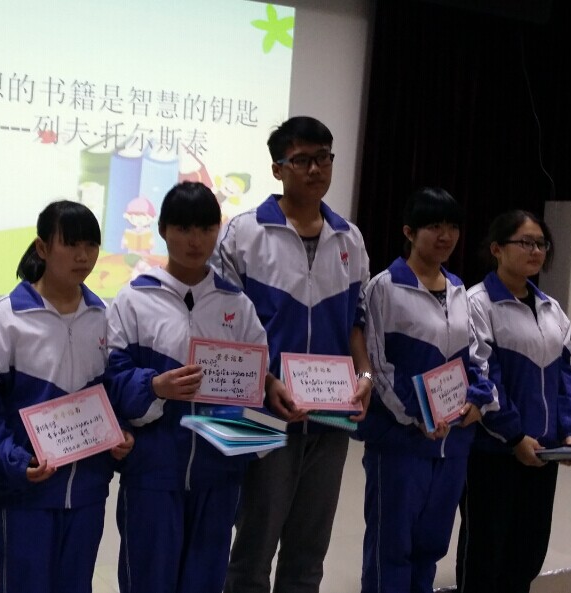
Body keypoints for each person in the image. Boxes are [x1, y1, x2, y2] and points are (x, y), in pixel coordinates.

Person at [215, 116, 372, 593]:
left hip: (331, 419)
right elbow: (224, 325)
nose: (315, 169)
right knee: (253, 548)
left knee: (309, 551)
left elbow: (357, 320)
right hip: (263, 414)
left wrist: (365, 376)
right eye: (302, 160)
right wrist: (266, 382)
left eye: (324, 158)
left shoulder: (349, 238)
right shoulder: (244, 233)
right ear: (277, 168)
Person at [107, 181, 270, 593]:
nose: (195, 240)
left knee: (205, 581)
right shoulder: (133, 299)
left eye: (206, 228)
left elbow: (256, 384)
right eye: (183, 228)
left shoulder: (237, 305)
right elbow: (111, 379)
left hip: (218, 475)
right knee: (148, 580)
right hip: (152, 472)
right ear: (163, 230)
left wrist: (248, 442)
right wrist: (154, 387)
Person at [0, 200, 133, 593]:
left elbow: (111, 394)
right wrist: (16, 462)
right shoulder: (8, 317)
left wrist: (120, 433)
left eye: (91, 245)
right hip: (25, 491)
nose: (83, 256)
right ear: (42, 248)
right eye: (71, 244)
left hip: (87, 492)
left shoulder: (103, 316)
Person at [357, 187, 497, 593]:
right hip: (401, 441)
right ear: (409, 231)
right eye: (434, 226)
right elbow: (379, 366)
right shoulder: (384, 287)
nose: (445, 235)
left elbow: (477, 357)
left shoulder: (458, 289)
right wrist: (418, 416)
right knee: (391, 547)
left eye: (453, 226)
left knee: (431, 546)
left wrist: (478, 400)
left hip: (452, 443)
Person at [455, 210, 571, 593]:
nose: (536, 251)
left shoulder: (551, 308)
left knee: (527, 553)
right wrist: (514, 436)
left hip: (544, 452)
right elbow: (482, 375)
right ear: (497, 248)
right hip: (494, 452)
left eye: (541, 244)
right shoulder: (477, 303)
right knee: (485, 553)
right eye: (525, 242)